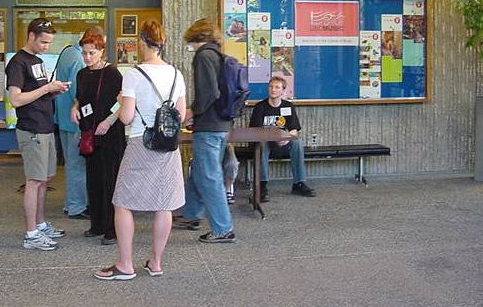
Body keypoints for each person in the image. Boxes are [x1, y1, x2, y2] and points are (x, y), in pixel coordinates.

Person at [93, 20, 187, 281]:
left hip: (140, 143)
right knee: (164, 204)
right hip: (168, 146)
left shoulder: (134, 75)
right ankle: (155, 263)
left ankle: (125, 265)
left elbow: (125, 117)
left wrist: (122, 101)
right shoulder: (176, 74)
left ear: (143, 42)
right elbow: (180, 114)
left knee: (122, 202)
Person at [5, 18, 70, 251]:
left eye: (49, 42)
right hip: (31, 129)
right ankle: (31, 234)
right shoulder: (17, 63)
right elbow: (16, 99)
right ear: (31, 36)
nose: (46, 46)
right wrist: (46, 88)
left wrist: (53, 91)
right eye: (43, 42)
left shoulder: (38, 61)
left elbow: (37, 93)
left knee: (45, 179)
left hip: (45, 126)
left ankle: (40, 224)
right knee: (34, 181)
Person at [173, 18, 236, 243]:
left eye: (190, 41)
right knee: (200, 171)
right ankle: (191, 214)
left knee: (209, 177)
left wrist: (191, 112)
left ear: (196, 37)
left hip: (209, 126)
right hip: (221, 125)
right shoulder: (218, 54)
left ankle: (223, 229)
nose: (189, 45)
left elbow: (209, 93)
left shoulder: (203, 56)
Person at [70, 30, 126, 245]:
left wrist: (109, 121)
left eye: (92, 53)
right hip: (90, 133)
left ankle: (113, 228)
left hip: (110, 133)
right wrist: (75, 108)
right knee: (93, 179)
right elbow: (80, 98)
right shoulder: (82, 74)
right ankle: (98, 223)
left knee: (110, 180)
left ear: (101, 51)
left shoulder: (112, 73)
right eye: (84, 53)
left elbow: (123, 102)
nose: (87, 57)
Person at [249, 76, 316, 202]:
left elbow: (294, 129)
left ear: (283, 91)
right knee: (261, 143)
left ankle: (299, 183)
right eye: (271, 87)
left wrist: (286, 138)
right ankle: (262, 185)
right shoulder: (260, 107)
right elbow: (255, 131)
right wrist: (273, 137)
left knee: (297, 142)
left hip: (283, 144)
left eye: (277, 87)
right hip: (266, 144)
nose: (273, 90)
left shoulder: (288, 106)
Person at [54, 39, 88, 220]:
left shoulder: (66, 51)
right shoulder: (77, 57)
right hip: (75, 119)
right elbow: (77, 90)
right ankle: (76, 206)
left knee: (70, 163)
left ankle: (70, 203)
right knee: (77, 165)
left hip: (62, 117)